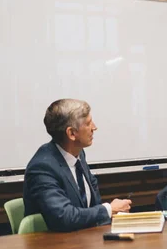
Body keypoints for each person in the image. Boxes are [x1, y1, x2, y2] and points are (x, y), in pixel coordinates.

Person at [23, 99, 131, 232]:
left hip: (84, 240)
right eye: (88, 123)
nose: (94, 127)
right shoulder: (42, 167)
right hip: (51, 247)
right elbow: (63, 217)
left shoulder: (78, 154)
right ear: (71, 133)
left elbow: (92, 205)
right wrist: (109, 209)